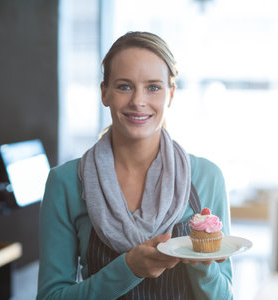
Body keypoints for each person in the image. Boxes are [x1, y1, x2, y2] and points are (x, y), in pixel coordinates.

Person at [37, 31, 233, 299]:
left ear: (171, 94)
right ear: (104, 93)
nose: (138, 101)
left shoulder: (207, 177)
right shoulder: (65, 182)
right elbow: (50, 296)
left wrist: (202, 267)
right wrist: (129, 268)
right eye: (124, 86)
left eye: (153, 87)